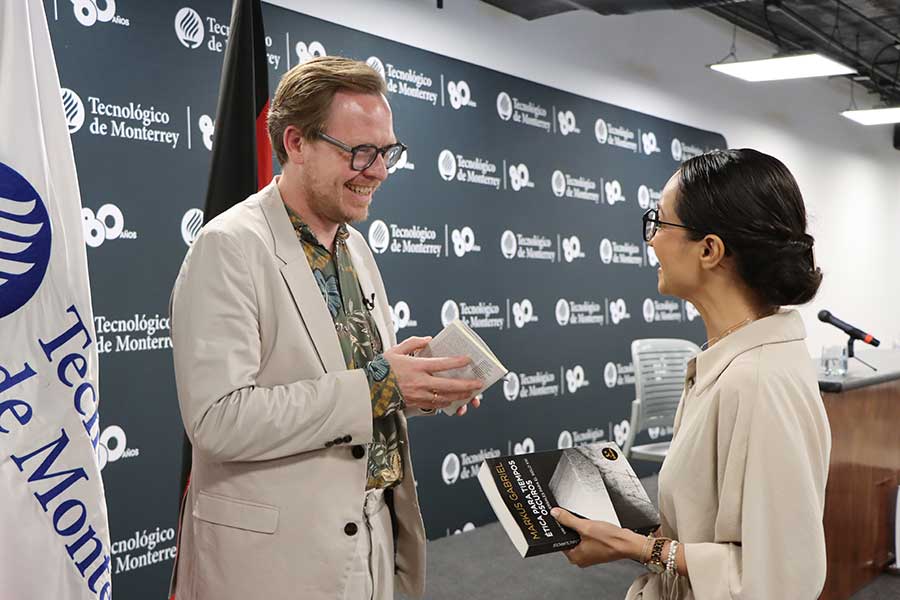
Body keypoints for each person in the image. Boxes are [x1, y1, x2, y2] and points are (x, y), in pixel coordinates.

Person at [168, 56, 482, 600]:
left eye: (386, 152)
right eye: (360, 152)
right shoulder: (230, 246)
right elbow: (218, 419)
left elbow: (350, 392)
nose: (379, 170)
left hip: (372, 543)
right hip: (274, 565)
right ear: (295, 143)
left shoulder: (354, 246)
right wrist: (380, 385)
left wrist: (412, 385)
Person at [551, 149, 831, 599]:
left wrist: (637, 546)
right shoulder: (729, 363)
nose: (652, 240)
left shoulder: (757, 382)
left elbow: (783, 578)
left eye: (661, 223)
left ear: (709, 249)